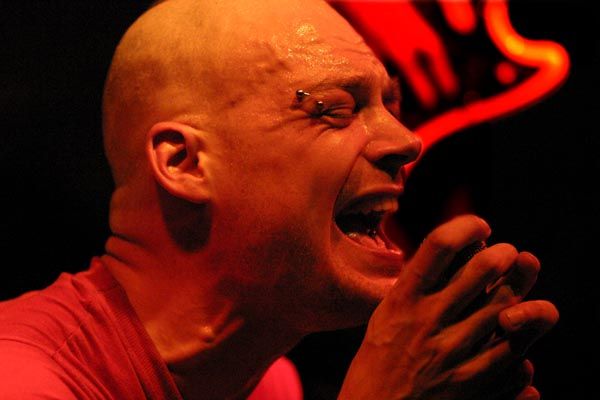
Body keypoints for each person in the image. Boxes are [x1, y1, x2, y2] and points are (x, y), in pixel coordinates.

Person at [0, 0, 558, 399]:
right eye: (335, 108)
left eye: (390, 106)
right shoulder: (21, 378)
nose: (406, 142)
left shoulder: (268, 382)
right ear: (183, 162)